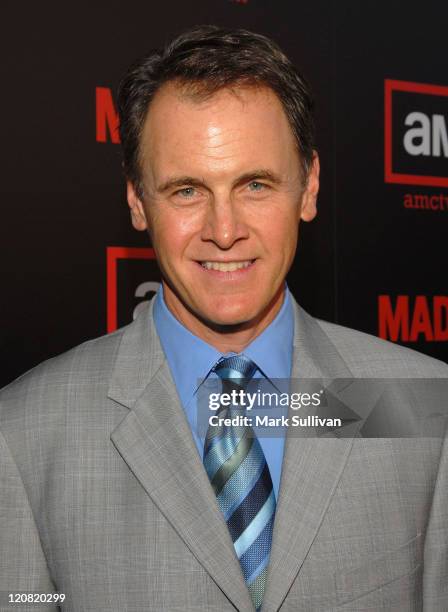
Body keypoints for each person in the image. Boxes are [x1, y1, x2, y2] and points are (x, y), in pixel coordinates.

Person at [0, 25, 447, 612]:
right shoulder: (25, 433)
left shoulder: (420, 405)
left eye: (255, 184)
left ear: (309, 187)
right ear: (137, 201)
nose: (225, 229)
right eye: (187, 191)